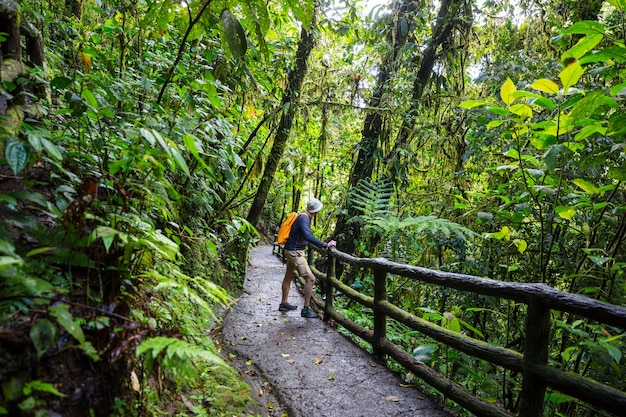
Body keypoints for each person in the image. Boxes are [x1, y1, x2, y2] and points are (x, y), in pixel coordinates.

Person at [279, 198, 336, 318]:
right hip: (295, 252)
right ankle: (305, 309)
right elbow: (307, 235)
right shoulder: (304, 218)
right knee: (311, 279)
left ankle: (284, 303)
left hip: (290, 250)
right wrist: (325, 245)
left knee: (288, 277)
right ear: (316, 210)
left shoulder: (302, 216)